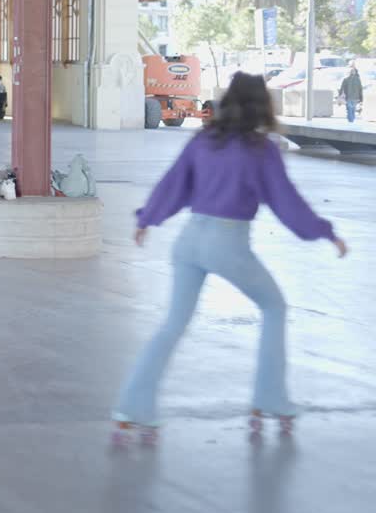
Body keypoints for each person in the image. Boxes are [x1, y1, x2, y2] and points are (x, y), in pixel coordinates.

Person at [113, 72, 347, 443]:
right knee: (274, 307)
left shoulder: (203, 140)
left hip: (189, 241)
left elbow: (173, 183)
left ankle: (133, 406)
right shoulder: (260, 149)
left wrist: (147, 218)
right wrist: (324, 231)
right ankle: (270, 397)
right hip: (228, 242)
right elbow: (286, 202)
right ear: (262, 106)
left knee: (173, 324)